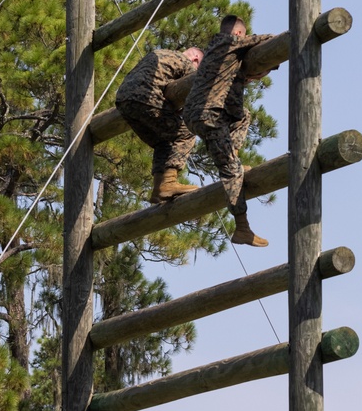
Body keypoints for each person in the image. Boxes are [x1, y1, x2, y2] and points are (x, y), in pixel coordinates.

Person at [184, 14, 273, 247]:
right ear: (238, 34)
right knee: (230, 170)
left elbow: (232, 98)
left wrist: (246, 74)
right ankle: (242, 228)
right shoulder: (230, 42)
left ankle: (231, 154)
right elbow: (268, 39)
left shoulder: (216, 51)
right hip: (209, 115)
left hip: (197, 114)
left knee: (244, 116)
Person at [114, 44, 204, 203]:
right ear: (196, 59)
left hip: (123, 101)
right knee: (186, 132)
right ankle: (168, 183)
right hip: (145, 97)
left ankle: (159, 189)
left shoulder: (160, 54)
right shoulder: (186, 63)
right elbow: (196, 93)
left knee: (163, 141)